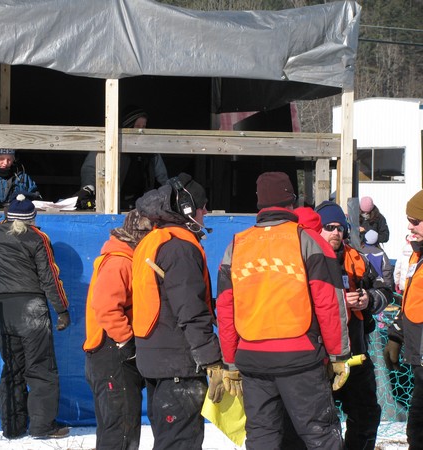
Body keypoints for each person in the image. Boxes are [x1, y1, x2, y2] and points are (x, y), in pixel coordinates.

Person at [216, 172, 351, 450]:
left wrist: (230, 362)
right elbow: (329, 303)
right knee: (319, 436)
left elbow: (225, 309)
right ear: (292, 200)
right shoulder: (308, 241)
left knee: (262, 436)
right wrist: (339, 355)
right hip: (300, 358)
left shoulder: (236, 246)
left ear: (259, 204)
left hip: (252, 360)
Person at [131, 173, 224, 450]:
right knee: (180, 442)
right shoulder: (180, 248)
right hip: (178, 363)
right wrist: (212, 359)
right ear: (186, 209)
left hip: (158, 358)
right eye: (203, 205)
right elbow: (190, 309)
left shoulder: (155, 239)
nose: (206, 211)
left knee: (168, 439)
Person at [0, 194, 70, 440]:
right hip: (30, 307)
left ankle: (12, 427)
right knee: (41, 368)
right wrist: (62, 310)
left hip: (1, 307)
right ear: (32, 218)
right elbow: (50, 278)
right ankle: (42, 426)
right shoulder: (38, 238)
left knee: (12, 368)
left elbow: (1, 228)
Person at [314, 200, 392, 450]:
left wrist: (368, 299)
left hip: (355, 354)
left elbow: (384, 290)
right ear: (318, 229)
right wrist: (336, 301)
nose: (336, 232)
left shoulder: (355, 258)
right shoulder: (306, 257)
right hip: (318, 358)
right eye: (329, 226)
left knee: (367, 416)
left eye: (340, 227)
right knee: (320, 424)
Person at [83, 209, 153, 450]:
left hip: (108, 353)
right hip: (112, 354)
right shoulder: (120, 262)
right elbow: (106, 307)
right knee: (121, 430)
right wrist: (127, 342)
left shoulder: (121, 258)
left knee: (115, 428)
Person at [384, 189, 423, 449]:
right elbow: (411, 301)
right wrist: (397, 335)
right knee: (417, 429)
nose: (410, 226)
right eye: (409, 219)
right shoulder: (416, 255)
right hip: (420, 360)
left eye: (416, 220)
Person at [76, 106, 168, 210]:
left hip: (142, 205)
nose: (140, 131)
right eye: (137, 126)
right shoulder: (111, 144)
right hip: (113, 203)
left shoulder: (151, 150)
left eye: (144, 127)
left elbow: (162, 178)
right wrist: (88, 188)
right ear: (127, 126)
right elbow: (90, 168)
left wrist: (166, 198)